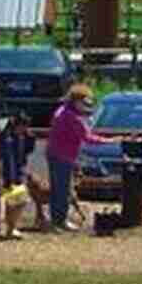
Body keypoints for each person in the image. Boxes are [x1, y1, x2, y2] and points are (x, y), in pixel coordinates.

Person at [45, 84, 117, 233]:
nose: (86, 106)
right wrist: (111, 141)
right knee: (61, 190)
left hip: (59, 154)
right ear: (76, 101)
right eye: (84, 103)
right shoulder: (70, 117)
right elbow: (88, 138)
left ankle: (58, 220)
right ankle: (58, 221)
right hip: (61, 155)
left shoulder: (64, 112)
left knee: (61, 189)